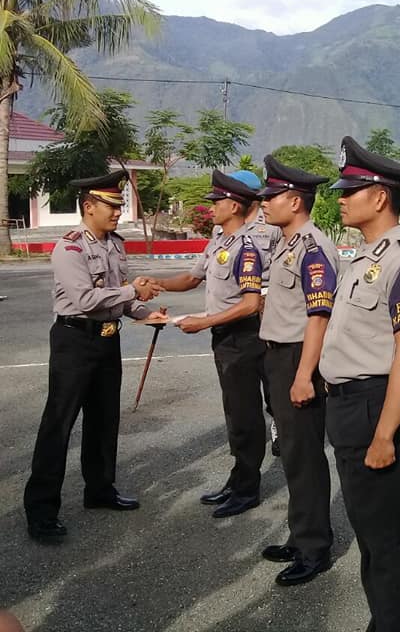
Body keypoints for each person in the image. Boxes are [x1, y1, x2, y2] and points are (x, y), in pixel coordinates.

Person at [318, 136, 400, 632]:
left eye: (351, 190)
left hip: (376, 408)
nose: (341, 198)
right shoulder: (365, 255)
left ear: (380, 196)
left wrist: (386, 434)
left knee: (386, 540)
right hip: (350, 407)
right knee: (371, 533)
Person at [23, 172, 164, 542]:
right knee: (59, 424)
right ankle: (41, 511)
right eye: (112, 206)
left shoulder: (115, 244)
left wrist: (146, 313)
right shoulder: (69, 248)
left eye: (120, 206)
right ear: (89, 207)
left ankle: (100, 490)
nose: (118, 213)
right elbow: (86, 300)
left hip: (106, 340)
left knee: (104, 419)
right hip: (74, 340)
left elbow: (122, 297)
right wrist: (131, 290)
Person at [150, 171, 267, 518]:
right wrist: (156, 283)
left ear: (233, 205)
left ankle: (248, 489)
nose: (211, 207)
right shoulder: (220, 239)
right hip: (225, 338)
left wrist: (204, 322)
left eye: (217, 202)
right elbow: (191, 277)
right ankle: (238, 478)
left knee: (245, 415)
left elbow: (251, 303)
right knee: (234, 412)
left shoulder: (247, 247)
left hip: (243, 338)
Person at [254, 155, 338, 586]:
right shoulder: (286, 244)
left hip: (296, 359)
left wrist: (305, 375)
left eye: (272, 197)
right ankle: (301, 532)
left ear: (295, 200)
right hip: (278, 357)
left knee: (304, 454)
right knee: (291, 451)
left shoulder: (313, 247)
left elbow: (318, 317)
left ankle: (314, 548)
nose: (264, 203)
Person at [232, 169, 284, 456]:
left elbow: (282, 271)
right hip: (236, 310)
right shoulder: (222, 228)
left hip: (266, 309)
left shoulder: (272, 228)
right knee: (240, 383)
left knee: (271, 374)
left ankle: (278, 423)